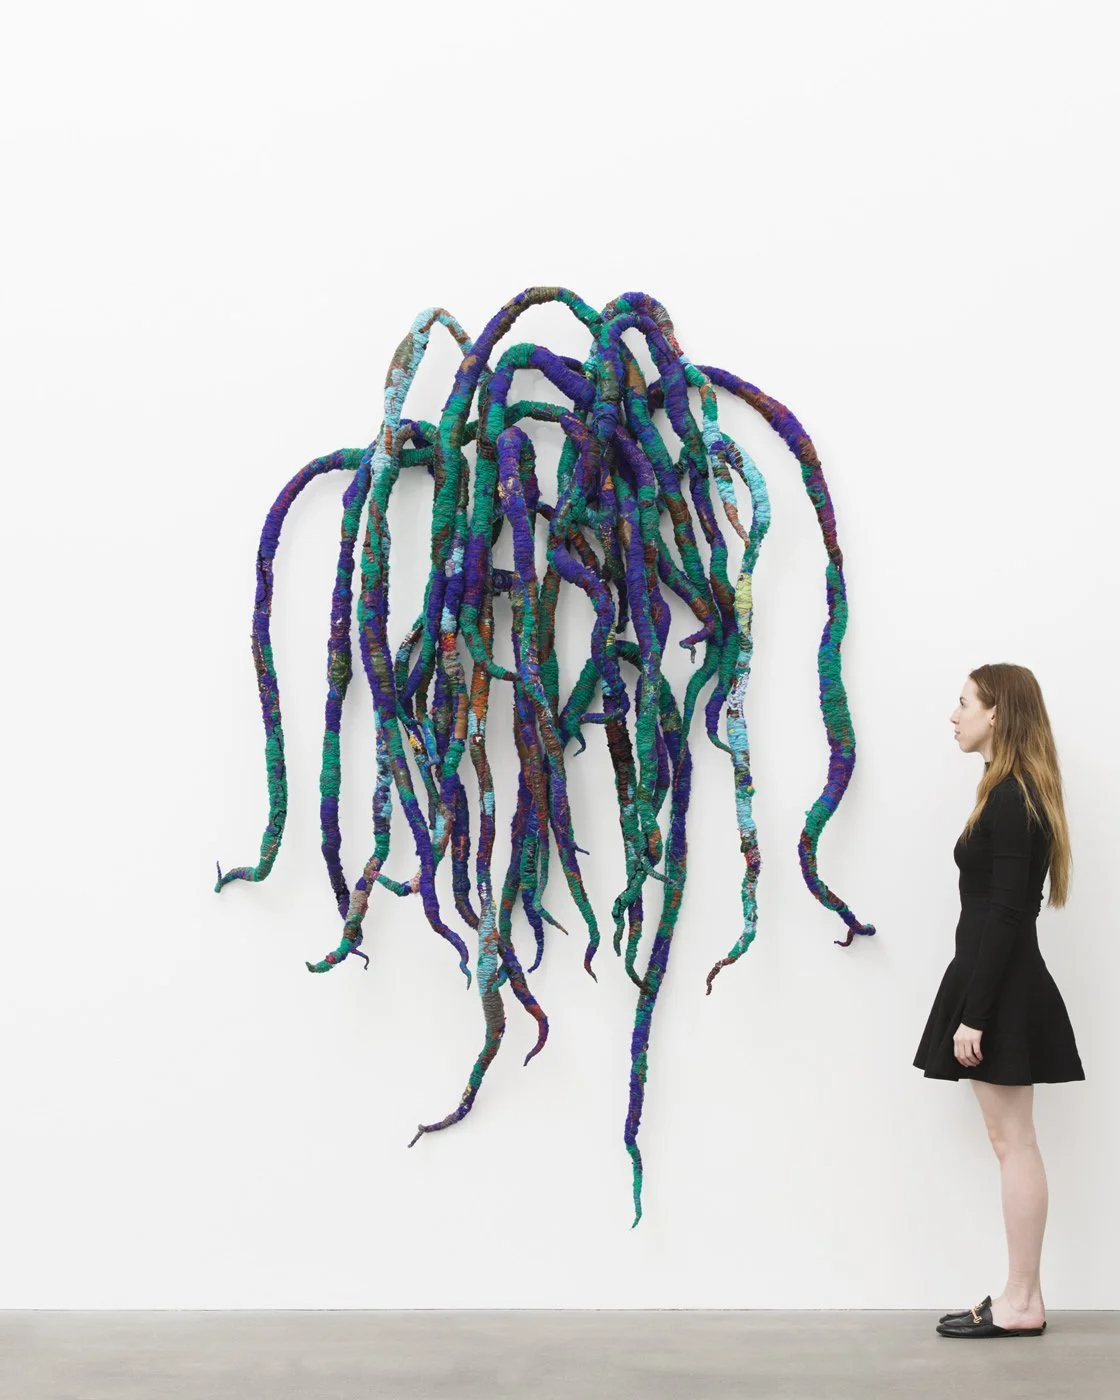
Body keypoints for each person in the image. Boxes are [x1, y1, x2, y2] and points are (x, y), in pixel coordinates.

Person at [913, 663, 1084, 1339]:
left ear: (997, 714)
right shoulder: (1009, 792)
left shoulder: (1013, 797)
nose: (954, 715)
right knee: (1011, 1140)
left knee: (1014, 1142)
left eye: (964, 703)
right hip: (997, 980)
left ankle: (1020, 1300)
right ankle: (1022, 1296)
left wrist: (974, 1014)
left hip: (1001, 987)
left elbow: (1009, 912)